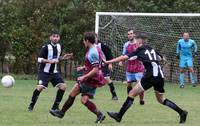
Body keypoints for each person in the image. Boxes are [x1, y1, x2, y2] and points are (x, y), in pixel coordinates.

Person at [105, 32, 188, 124]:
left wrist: (108, 61)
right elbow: (161, 58)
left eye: (136, 42)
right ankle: (182, 112)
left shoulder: (139, 50)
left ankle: (119, 116)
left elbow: (123, 57)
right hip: (160, 76)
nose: (135, 44)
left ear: (139, 42)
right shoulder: (151, 49)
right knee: (161, 99)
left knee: (131, 93)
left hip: (151, 75)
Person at [50, 32, 106, 124]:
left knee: (73, 93)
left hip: (91, 79)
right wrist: (84, 67)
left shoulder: (93, 52)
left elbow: (95, 69)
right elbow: (96, 64)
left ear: (87, 41)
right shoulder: (95, 48)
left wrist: (84, 76)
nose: (83, 42)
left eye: (84, 40)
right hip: (92, 78)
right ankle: (99, 115)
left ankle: (61, 113)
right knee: (84, 100)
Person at [28, 30, 73, 112]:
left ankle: (55, 107)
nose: (55, 38)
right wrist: (50, 61)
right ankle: (31, 106)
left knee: (63, 87)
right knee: (40, 88)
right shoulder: (46, 47)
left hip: (54, 72)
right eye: (54, 36)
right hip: (44, 72)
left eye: (57, 36)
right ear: (50, 37)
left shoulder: (59, 46)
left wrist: (63, 57)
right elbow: (39, 59)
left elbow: (57, 59)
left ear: (59, 38)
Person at [119, 29, 145, 105]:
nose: (129, 35)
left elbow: (142, 53)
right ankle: (129, 99)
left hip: (139, 68)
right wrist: (121, 61)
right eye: (128, 34)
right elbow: (123, 54)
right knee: (129, 84)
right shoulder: (126, 44)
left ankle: (141, 99)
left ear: (134, 35)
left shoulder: (138, 43)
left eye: (131, 33)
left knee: (140, 84)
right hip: (130, 68)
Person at [95, 34, 118, 100]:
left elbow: (109, 54)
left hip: (105, 64)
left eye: (95, 38)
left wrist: (110, 63)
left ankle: (114, 95)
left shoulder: (102, 45)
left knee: (107, 78)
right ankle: (90, 94)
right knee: (93, 78)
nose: (94, 39)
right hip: (96, 65)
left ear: (97, 38)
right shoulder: (91, 46)